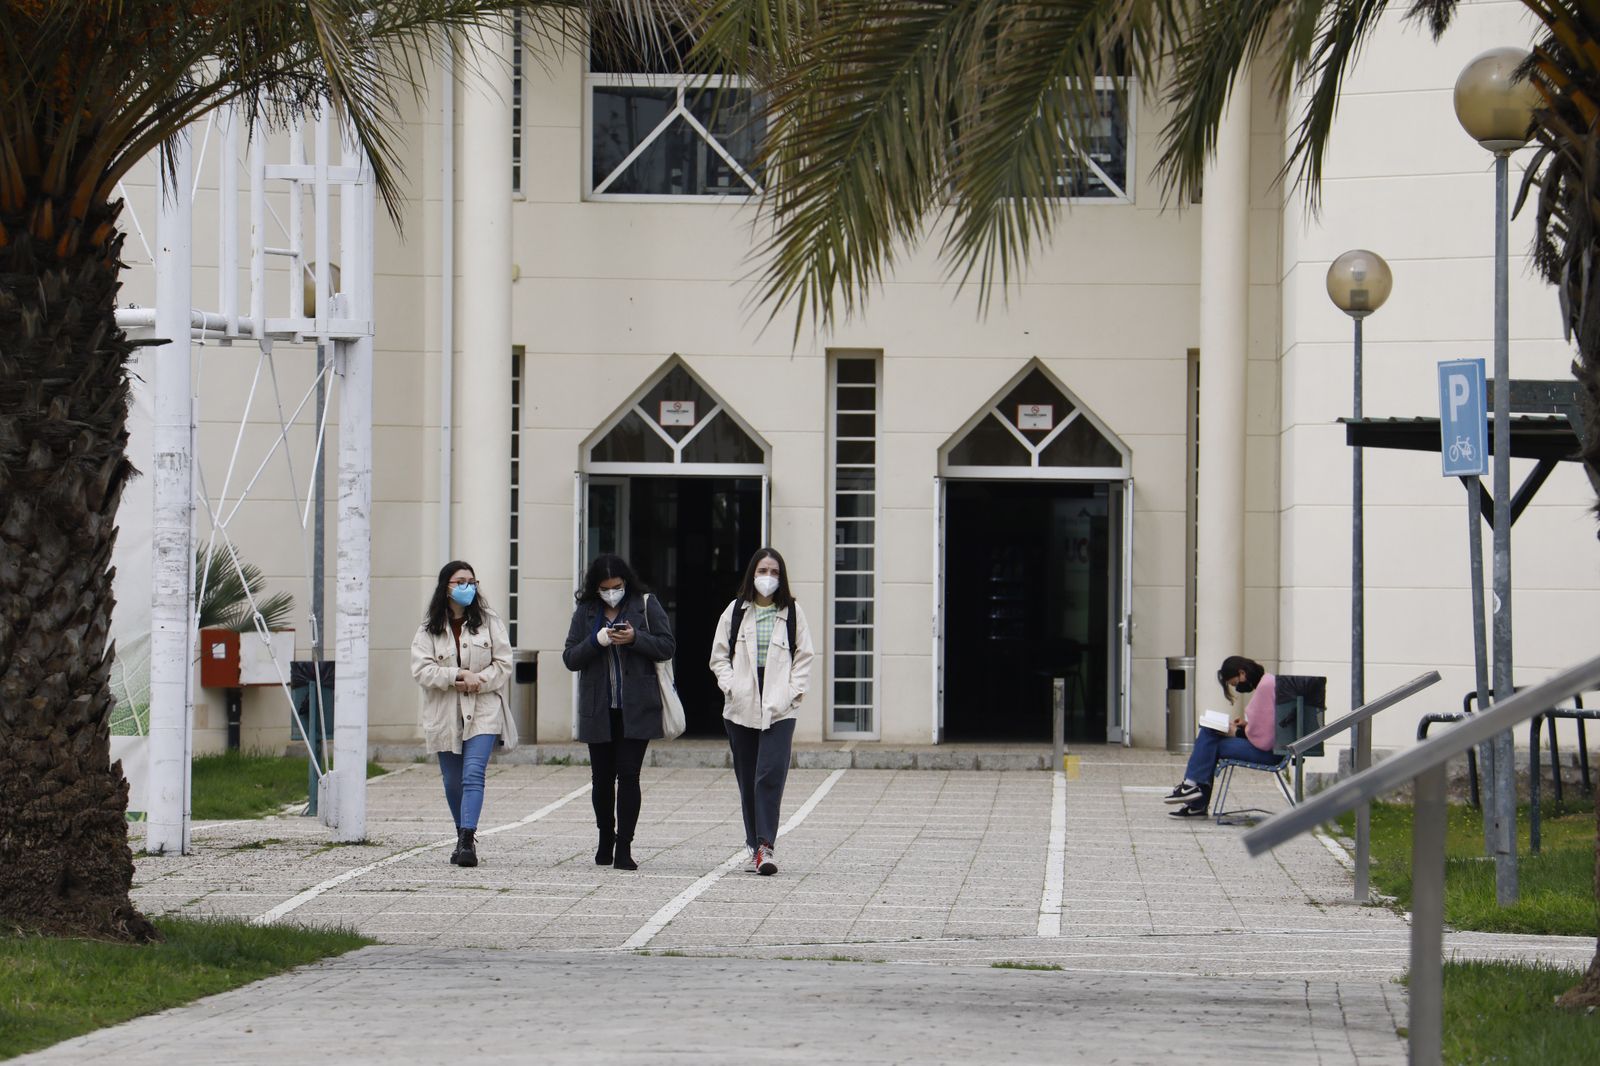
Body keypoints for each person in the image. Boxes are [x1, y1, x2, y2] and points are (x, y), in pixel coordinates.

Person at [562, 554, 675, 871]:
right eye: (605, 588)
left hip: (636, 706)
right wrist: (597, 641)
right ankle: (605, 837)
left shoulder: (645, 604)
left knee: (628, 776)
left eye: (617, 586)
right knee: (601, 779)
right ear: (595, 588)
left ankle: (624, 845)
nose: (612, 593)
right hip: (598, 707)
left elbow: (667, 646)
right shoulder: (586, 611)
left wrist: (635, 638)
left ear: (626, 582)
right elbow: (570, 657)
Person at [710, 547, 814, 875]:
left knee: (770, 774)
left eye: (774, 572)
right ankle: (754, 846)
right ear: (752, 575)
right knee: (748, 779)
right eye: (762, 571)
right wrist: (731, 686)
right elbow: (719, 656)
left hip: (780, 708)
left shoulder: (792, 612)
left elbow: (804, 657)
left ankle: (766, 846)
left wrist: (792, 693)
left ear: (782, 578)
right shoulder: (736, 611)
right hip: (741, 706)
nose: (768, 577)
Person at [410, 560, 516, 867]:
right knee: (452, 780)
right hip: (444, 711)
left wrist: (477, 680)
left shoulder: (489, 621)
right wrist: (456, 675)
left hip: (484, 707)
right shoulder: (429, 629)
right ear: (446, 586)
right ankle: (460, 833)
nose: (467, 586)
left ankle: (468, 840)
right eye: (460, 581)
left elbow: (503, 663)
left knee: (473, 774)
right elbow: (421, 670)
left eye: (472, 581)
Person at [1163, 656, 1279, 818]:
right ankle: (1193, 796)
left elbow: (1265, 739)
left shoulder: (1265, 687)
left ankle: (1192, 790)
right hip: (1274, 750)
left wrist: (1236, 732)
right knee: (1209, 735)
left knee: (1209, 738)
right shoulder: (1269, 682)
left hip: (1269, 753)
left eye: (1235, 684)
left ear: (1242, 673)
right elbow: (1270, 725)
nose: (1237, 688)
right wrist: (1246, 726)